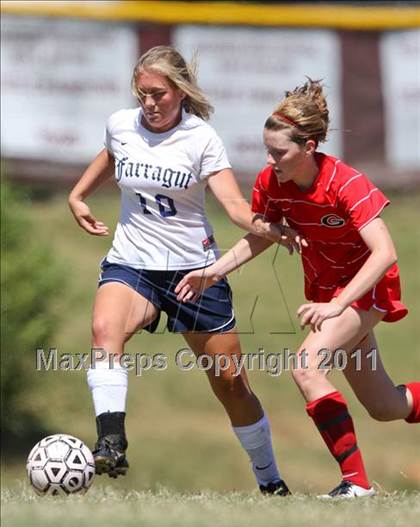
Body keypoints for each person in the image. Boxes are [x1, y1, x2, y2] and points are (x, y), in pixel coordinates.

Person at [175, 78, 420, 499]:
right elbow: (260, 235)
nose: (270, 161)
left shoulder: (346, 183)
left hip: (365, 289)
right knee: (385, 407)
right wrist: (213, 272)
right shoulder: (273, 184)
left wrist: (337, 305)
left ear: (309, 147)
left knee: (307, 366)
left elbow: (385, 253)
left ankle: (357, 485)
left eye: (279, 152)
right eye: (267, 151)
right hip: (332, 295)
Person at [68, 45, 296, 495]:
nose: (149, 104)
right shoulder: (121, 124)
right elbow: (113, 154)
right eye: (142, 95)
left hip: (195, 271)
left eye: (158, 94)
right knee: (103, 329)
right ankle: (111, 441)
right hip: (132, 261)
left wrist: (266, 226)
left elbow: (233, 205)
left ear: (181, 91)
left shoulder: (201, 138)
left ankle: (270, 480)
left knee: (231, 386)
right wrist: (78, 194)